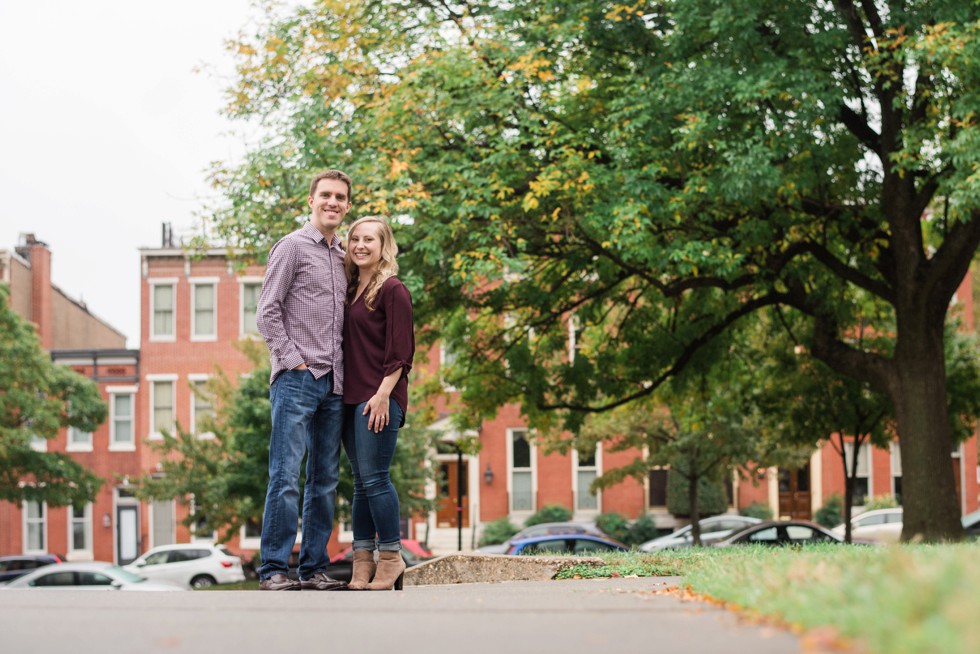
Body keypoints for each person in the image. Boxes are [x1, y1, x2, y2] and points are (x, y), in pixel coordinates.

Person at [254, 170, 352, 591]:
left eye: (340, 197)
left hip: (334, 382)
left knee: (325, 480)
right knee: (286, 474)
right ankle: (274, 569)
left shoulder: (345, 256)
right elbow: (266, 312)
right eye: (326, 195)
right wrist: (293, 362)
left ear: (348, 206)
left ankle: (313, 569)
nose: (332, 202)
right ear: (311, 200)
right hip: (296, 379)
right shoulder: (291, 248)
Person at [341, 216, 415, 591]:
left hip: (380, 396)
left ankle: (391, 557)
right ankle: (362, 561)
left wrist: (384, 393)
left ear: (384, 245)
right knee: (359, 484)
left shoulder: (393, 289)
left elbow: (402, 351)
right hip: (350, 396)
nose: (360, 245)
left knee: (376, 478)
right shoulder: (351, 286)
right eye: (354, 238)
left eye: (368, 239)